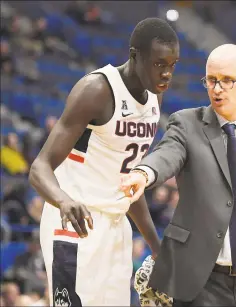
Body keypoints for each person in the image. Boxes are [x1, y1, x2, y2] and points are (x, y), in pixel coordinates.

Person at [121, 44, 236, 307]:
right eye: (211, 80)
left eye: (227, 81)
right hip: (198, 281)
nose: (217, 89)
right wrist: (144, 172)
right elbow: (167, 153)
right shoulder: (186, 123)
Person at [28, 17, 179, 306]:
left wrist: (157, 248)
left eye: (173, 65)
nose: (167, 74)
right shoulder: (96, 89)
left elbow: (127, 180)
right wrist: (62, 200)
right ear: (135, 56)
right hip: (75, 222)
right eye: (160, 64)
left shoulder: (154, 101)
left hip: (116, 225)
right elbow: (39, 168)